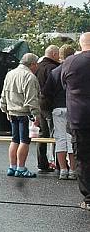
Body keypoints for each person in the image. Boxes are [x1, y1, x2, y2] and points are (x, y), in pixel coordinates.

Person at [60, 33, 90, 210]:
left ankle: (88, 199)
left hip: (79, 118)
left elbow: (64, 83)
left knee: (84, 159)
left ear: (80, 44)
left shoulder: (70, 62)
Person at [0, 53, 41, 178]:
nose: (37, 67)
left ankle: (12, 167)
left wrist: (5, 109)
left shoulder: (10, 74)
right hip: (25, 114)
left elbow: (4, 94)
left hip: (12, 112)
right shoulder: (30, 77)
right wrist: (36, 115)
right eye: (36, 64)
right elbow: (31, 99)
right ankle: (21, 168)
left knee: (14, 139)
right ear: (32, 64)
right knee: (24, 141)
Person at [41, 44, 77, 180]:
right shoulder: (76, 70)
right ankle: (73, 170)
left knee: (60, 139)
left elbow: (46, 92)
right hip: (73, 107)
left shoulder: (55, 72)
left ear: (60, 56)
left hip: (57, 108)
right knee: (71, 139)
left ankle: (63, 169)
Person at [35, 45, 61, 173]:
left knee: (42, 134)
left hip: (39, 103)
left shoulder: (37, 67)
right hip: (50, 104)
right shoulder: (53, 68)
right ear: (54, 54)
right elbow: (55, 88)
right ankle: (58, 162)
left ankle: (42, 162)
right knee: (55, 134)